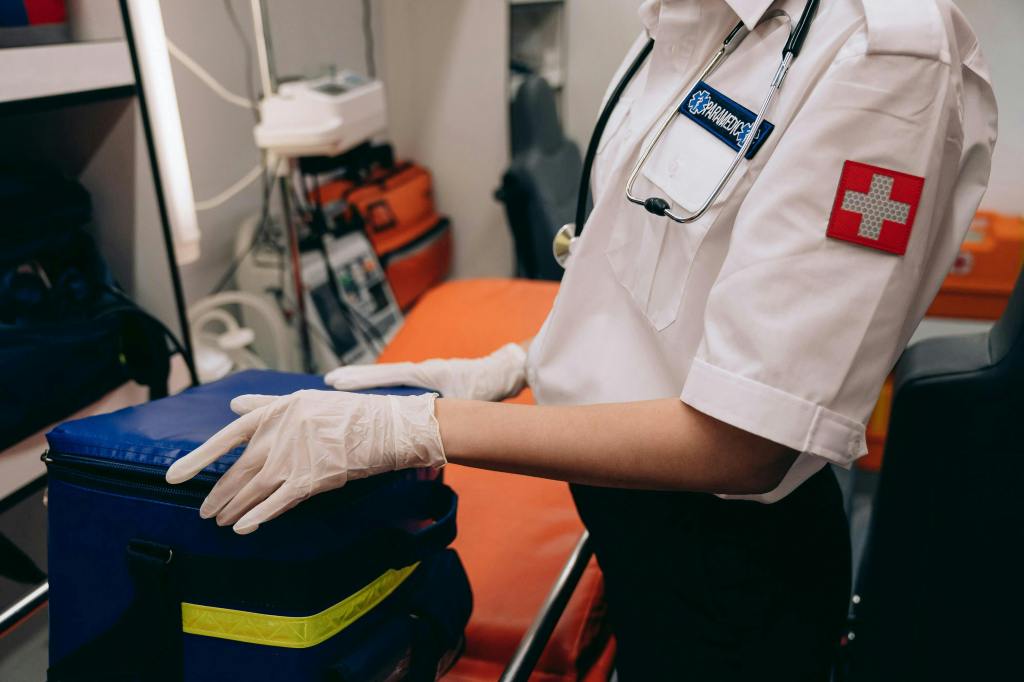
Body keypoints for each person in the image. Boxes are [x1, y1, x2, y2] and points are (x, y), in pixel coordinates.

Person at [167, 0, 998, 679]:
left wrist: (418, 428)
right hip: (629, 528)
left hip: (730, 567)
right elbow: (652, 267)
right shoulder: (692, 23)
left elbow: (751, 439)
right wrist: (528, 361)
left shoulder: (885, 61)